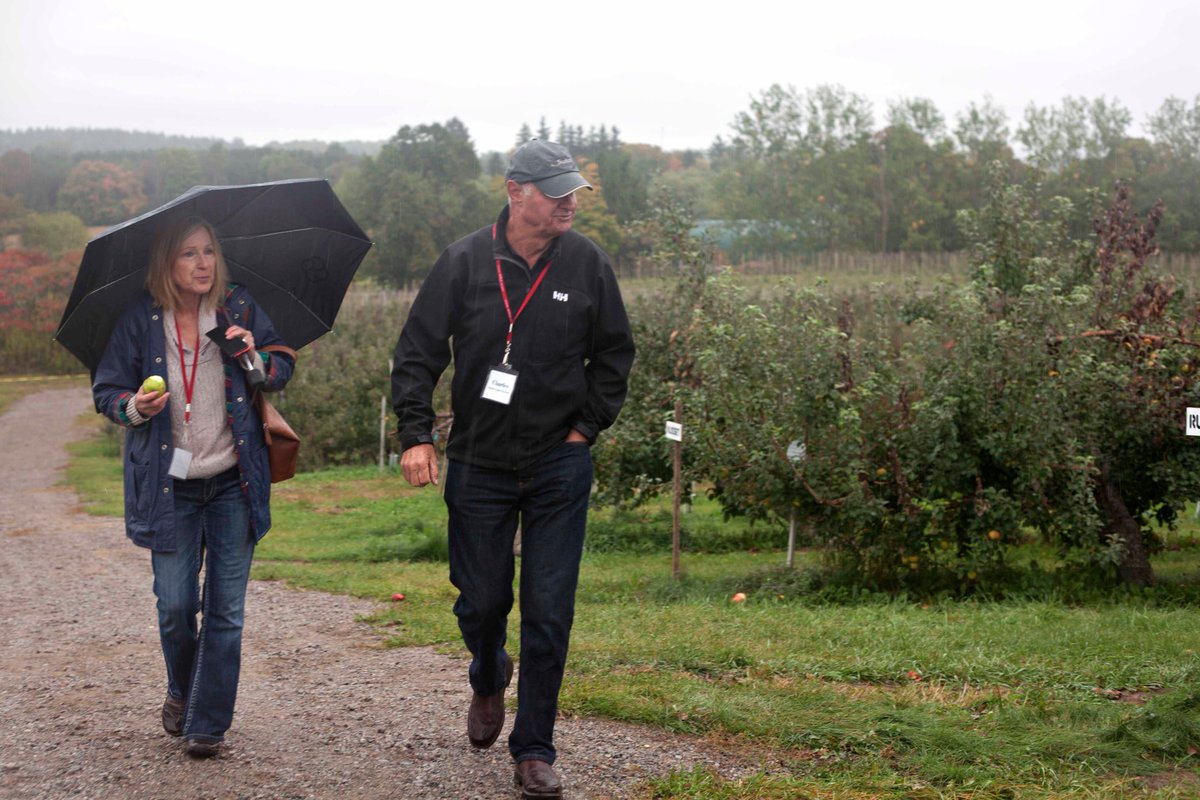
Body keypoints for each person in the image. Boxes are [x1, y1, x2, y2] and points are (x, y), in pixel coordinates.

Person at [392, 139, 635, 798]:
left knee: (549, 610)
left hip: (560, 461)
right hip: (479, 460)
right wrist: (416, 435)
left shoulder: (587, 265)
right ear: (514, 191)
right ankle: (486, 669)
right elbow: (416, 353)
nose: (567, 201)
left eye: (572, 190)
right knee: (482, 600)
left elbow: (615, 355)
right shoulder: (464, 262)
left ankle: (533, 749)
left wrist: (586, 428)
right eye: (554, 190)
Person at [92, 216, 295, 758]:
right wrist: (135, 407)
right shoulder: (139, 319)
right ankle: (184, 689)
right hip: (169, 487)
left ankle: (207, 725)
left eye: (208, 252)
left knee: (226, 610)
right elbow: (106, 391)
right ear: (167, 262)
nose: (203, 263)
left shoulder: (239, 308)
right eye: (188, 254)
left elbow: (279, 367)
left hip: (233, 481)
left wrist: (251, 353)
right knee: (176, 606)